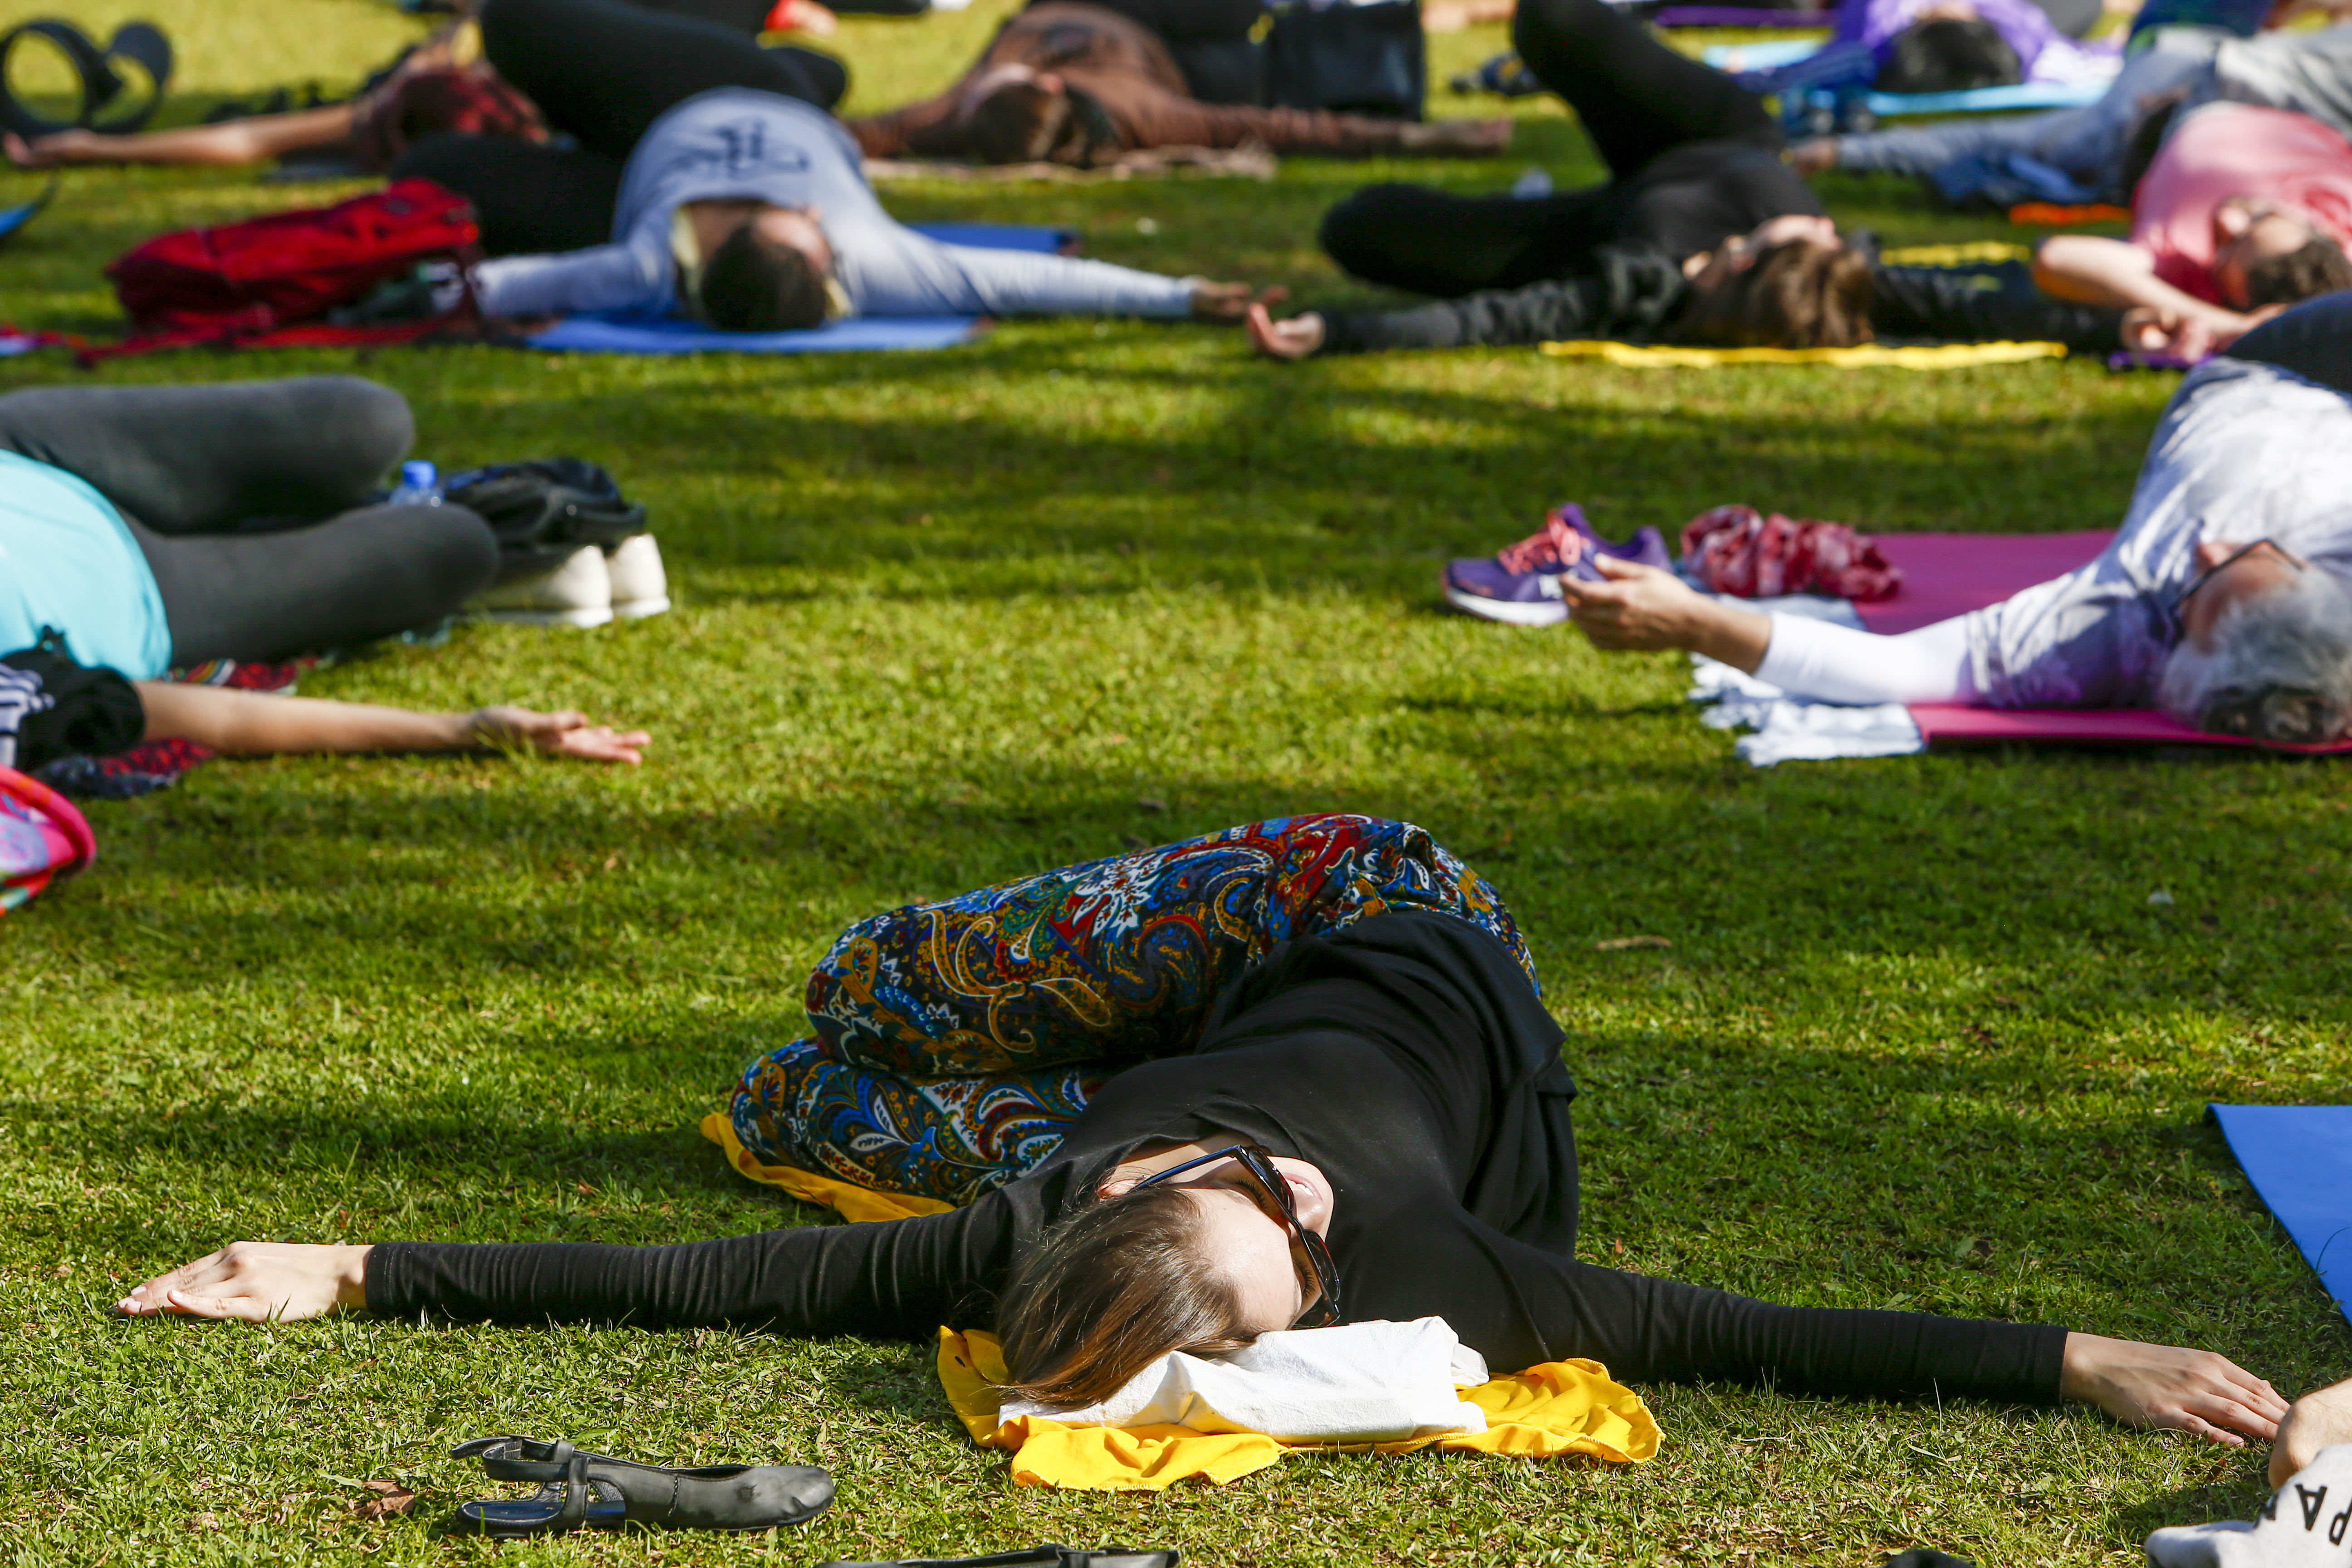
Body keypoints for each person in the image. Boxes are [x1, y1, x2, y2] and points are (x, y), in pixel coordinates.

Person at [121, 812, 2285, 1447]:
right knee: (817, 1052)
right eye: (1293, 1243)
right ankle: (978, 1016)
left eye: (1288, 1250)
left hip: (1356, 913)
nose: (1321, 1221)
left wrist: (347, 1252)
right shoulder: (1061, 1213)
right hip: (1317, 960)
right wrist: (344, 1263)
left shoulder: (1335, 1245)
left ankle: (977, 996)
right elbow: (704, 1278)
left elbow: (1749, 1325)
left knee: (831, 1033)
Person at [1453, 290, 2352, 747]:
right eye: (2264, 556)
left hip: (2270, 375)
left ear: (2178, 642)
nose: (2209, 541)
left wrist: (1693, 621)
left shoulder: (2110, 629)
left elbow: (1893, 667)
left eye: (2206, 578)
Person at [1244, 0, 2132, 359]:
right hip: (1705, 133)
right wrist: (2128, 323)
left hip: (1608, 217)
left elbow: (1499, 317)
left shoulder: (1644, 288)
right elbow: (1979, 304)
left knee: (1358, 225)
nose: (1731, 247)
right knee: (1552, 21)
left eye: (1736, 254)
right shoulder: (1841, 273)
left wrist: (1340, 334)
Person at [396, 0, 1266, 329]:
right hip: (726, 91)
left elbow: (515, 286)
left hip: (626, 186)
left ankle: (811, 67)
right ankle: (805, 64)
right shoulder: (870, 255)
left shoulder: (643, 264)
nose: (813, 218)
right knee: (517, 21)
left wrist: (407, 297)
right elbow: (1019, 280)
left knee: (434, 175)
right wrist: (1178, 295)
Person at [0, 376, 646, 765]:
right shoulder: (22, 702)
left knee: (366, 421)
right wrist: (461, 729)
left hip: (28, 453)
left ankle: (353, 504)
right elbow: (216, 719)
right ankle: (392, 513)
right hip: (154, 592)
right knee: (456, 544)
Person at [0, 0, 840, 177]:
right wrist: (88, 146)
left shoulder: (451, 70)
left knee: (811, 77)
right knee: (811, 77)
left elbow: (248, 140)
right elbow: (250, 142)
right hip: (673, 96)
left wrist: (88, 146)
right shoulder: (423, 105)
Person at [844, 0, 1511, 167]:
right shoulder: (1144, 112)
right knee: (1239, 27)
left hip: (1064, 2)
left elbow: (867, 133)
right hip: (1164, 35)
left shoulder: (956, 110)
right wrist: (1425, 137)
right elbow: (1279, 129)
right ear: (1050, 88)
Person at [2033, 101, 2352, 356]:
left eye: (2226, 245)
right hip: (2303, 102)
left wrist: (2232, 325)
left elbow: (2056, 258)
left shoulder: (2183, 258)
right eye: (2261, 218)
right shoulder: (2340, 228)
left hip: (2182, 108)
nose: (2228, 220)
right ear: (2330, 235)